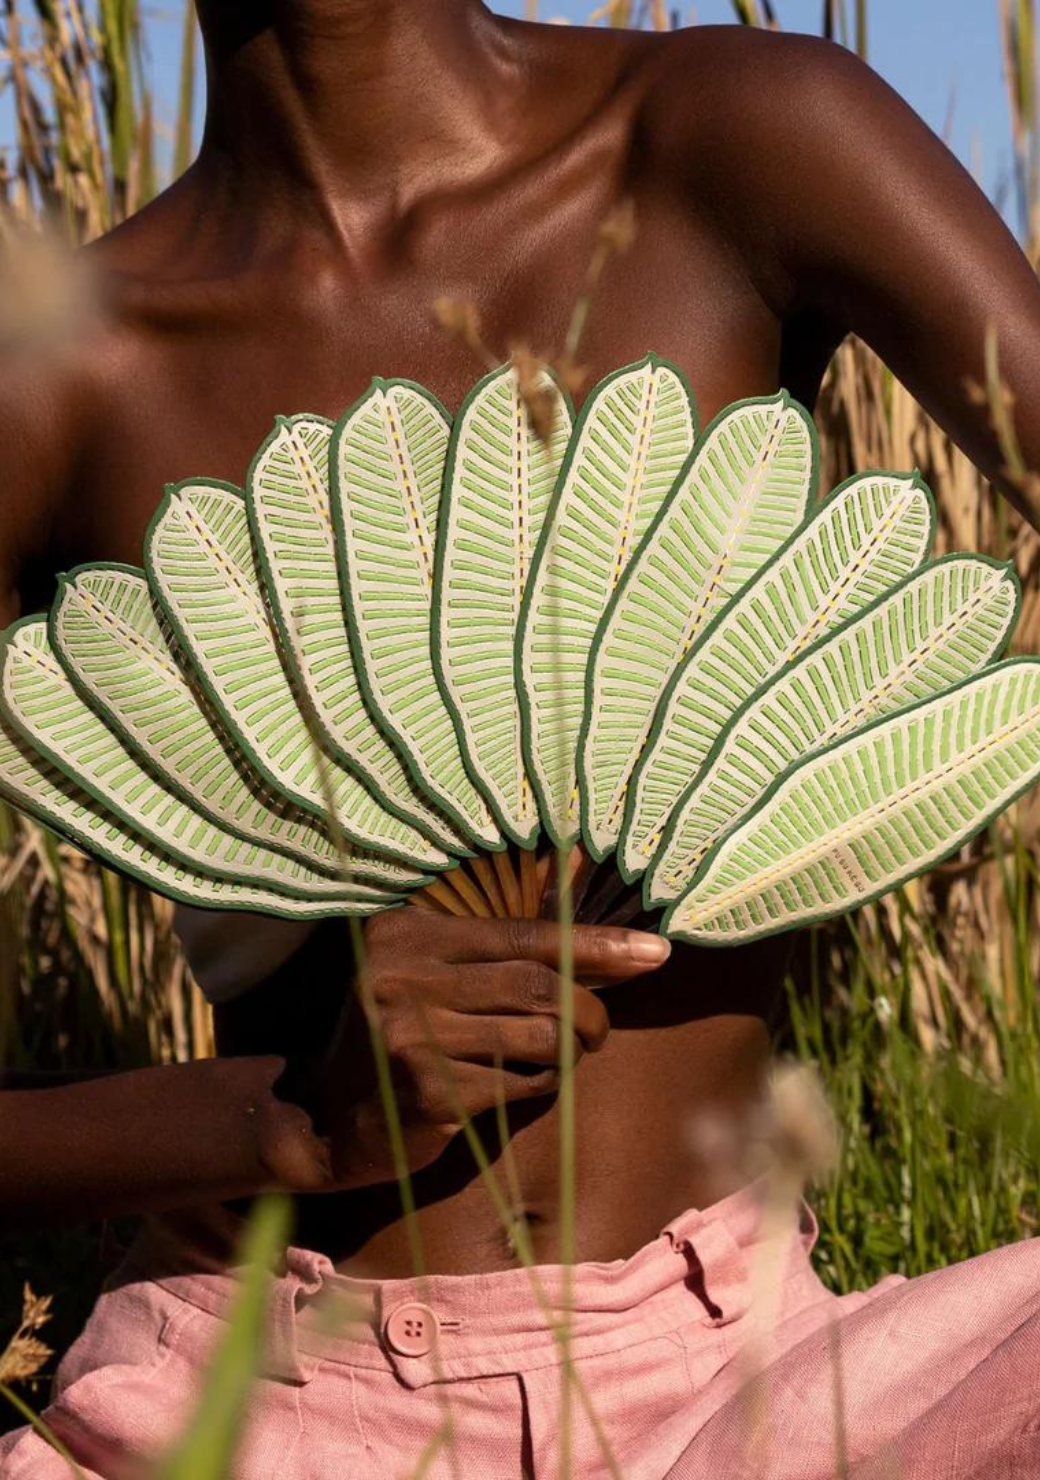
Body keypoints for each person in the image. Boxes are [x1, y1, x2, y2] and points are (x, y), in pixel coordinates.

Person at [2, 3, 1040, 1475]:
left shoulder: (724, 136)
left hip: (754, 1391)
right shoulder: (61, 369)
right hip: (267, 1401)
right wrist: (288, 1122)